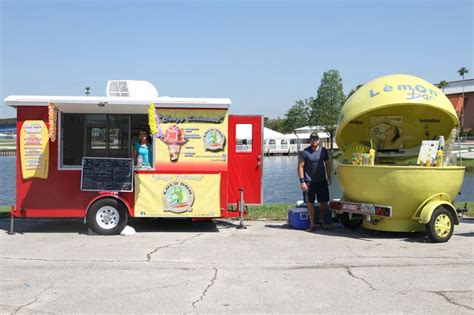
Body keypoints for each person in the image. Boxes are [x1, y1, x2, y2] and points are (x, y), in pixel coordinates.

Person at [297, 132, 332, 232]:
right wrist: (302, 182)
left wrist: (329, 176)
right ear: (310, 140)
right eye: (312, 139)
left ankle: (321, 219)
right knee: (310, 203)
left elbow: (327, 164)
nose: (314, 141)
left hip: (321, 181)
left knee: (324, 202)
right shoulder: (304, 152)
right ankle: (312, 224)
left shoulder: (323, 151)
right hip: (309, 181)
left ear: (319, 140)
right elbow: (300, 167)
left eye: (316, 139)